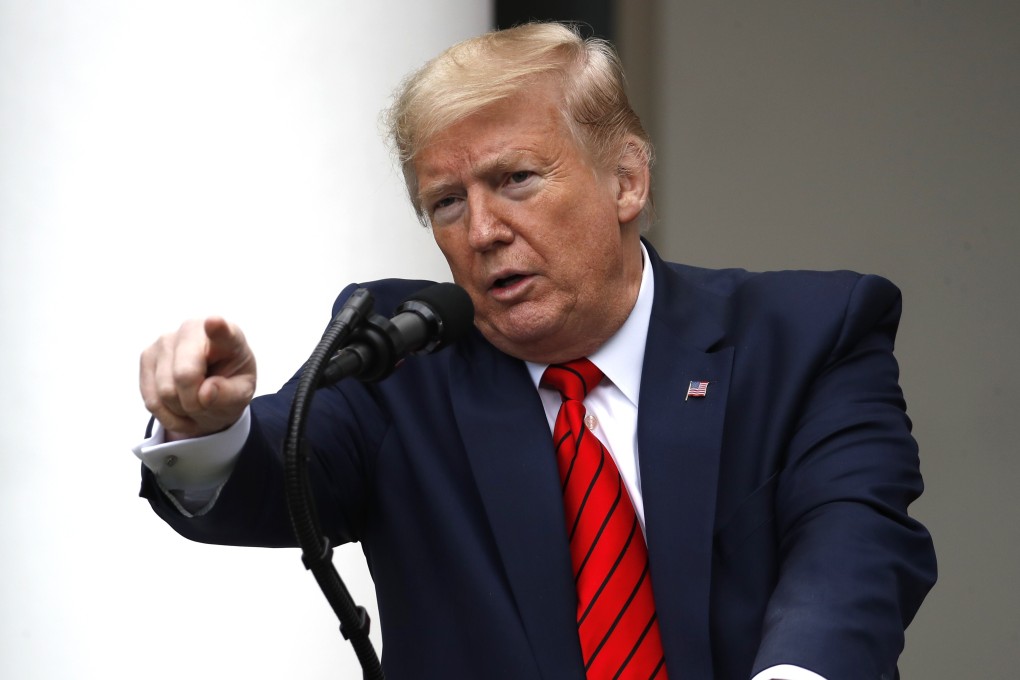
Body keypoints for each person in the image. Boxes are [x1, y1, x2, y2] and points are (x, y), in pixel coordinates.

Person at [135, 22, 936, 680]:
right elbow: (276, 471)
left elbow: (854, 548)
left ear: (626, 180)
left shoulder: (804, 336)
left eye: (516, 179)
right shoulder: (402, 358)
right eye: (447, 203)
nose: (482, 232)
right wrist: (207, 427)